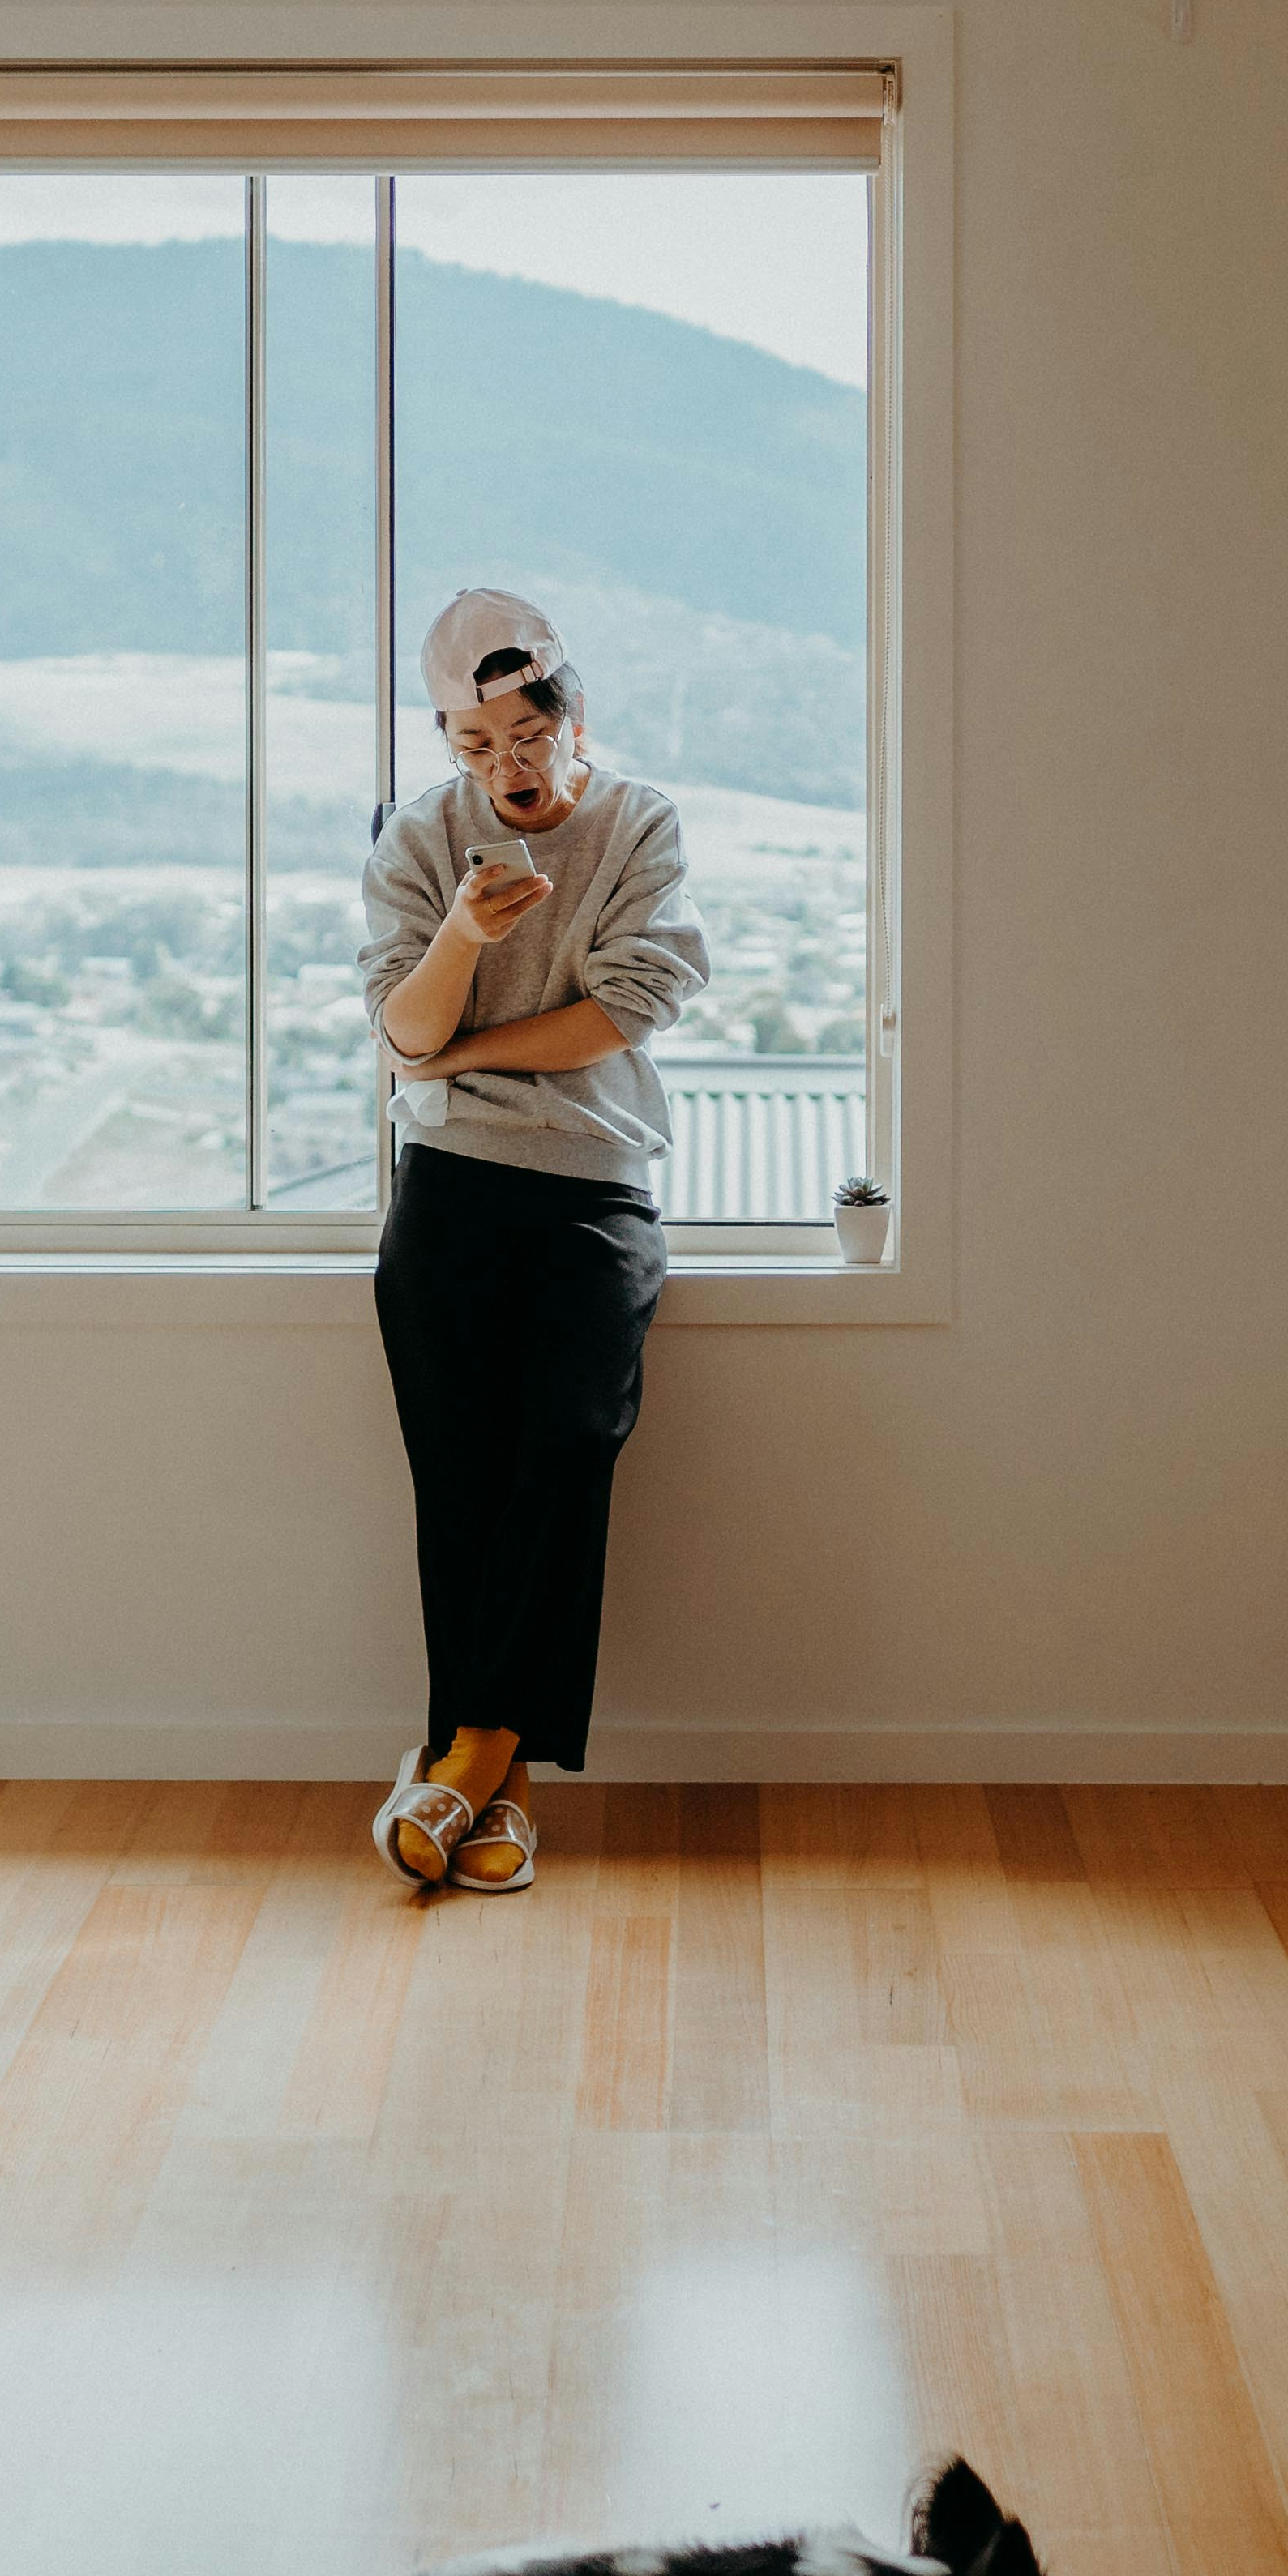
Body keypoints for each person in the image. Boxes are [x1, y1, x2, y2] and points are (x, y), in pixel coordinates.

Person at [359, 588, 705, 1898]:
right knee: (461, 1480)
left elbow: (625, 1010)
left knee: (568, 1445)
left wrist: (468, 1052)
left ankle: (465, 1754)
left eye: (523, 740)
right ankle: (491, 1798)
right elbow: (401, 1032)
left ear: (574, 724)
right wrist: (461, 934)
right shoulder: (420, 839)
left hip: (593, 1185)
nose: (502, 771)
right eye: (471, 747)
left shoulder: (638, 824)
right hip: (445, 1184)